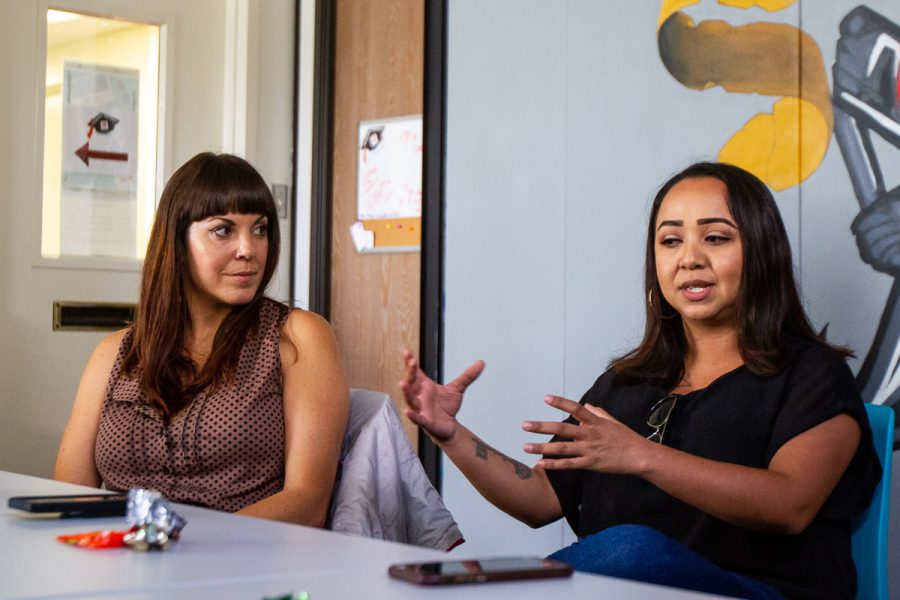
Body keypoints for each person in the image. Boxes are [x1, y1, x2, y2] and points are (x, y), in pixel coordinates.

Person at [400, 162, 882, 599]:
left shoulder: (812, 374)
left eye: (716, 238)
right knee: (626, 554)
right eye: (670, 241)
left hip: (760, 592)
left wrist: (640, 456)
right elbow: (541, 498)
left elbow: (789, 505)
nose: (689, 259)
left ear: (760, 252)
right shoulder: (627, 382)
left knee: (632, 550)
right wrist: (452, 435)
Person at [54, 152, 349, 527]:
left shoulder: (297, 337)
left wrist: (176, 542)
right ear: (177, 241)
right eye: (223, 230)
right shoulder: (114, 352)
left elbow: (307, 503)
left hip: (241, 566)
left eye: (260, 229)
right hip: (117, 562)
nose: (249, 249)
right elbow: (69, 493)